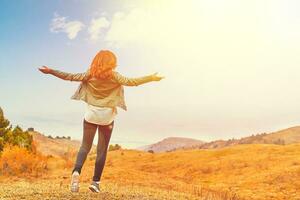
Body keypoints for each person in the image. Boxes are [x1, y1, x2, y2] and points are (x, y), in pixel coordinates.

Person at [38, 50, 164, 193]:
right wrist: (151, 78)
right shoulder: (115, 76)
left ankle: (76, 172)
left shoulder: (90, 74)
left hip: (91, 115)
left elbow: (70, 76)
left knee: (85, 146)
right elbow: (132, 82)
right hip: (107, 118)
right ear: (112, 63)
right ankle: (95, 183)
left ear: (96, 60)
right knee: (102, 151)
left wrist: (50, 71)